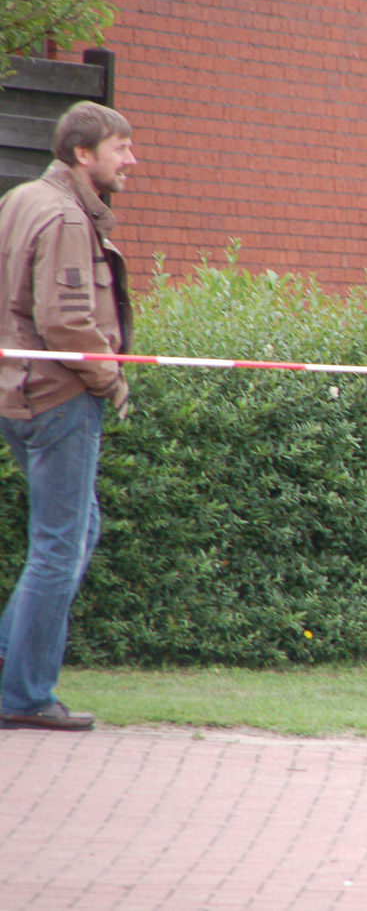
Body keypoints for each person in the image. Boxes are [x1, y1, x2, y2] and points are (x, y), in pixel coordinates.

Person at [0, 101, 136, 731]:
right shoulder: (64, 216)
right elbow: (66, 322)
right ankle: (24, 696)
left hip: (17, 393)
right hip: (58, 397)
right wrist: (110, 380)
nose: (131, 160)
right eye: (120, 148)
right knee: (60, 545)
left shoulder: (20, 200)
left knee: (76, 531)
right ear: (83, 153)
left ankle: (10, 662)